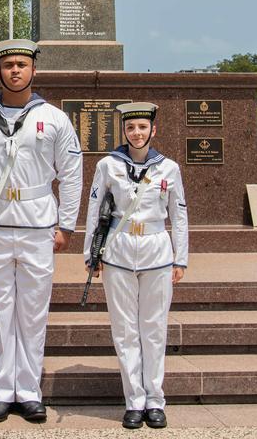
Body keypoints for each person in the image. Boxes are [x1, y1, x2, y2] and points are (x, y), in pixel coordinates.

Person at [0, 39, 82, 424]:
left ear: (33, 70)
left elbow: (73, 173)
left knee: (32, 311)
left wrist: (67, 224)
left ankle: (29, 391)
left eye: (22, 65)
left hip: (38, 222)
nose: (15, 70)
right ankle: (1, 389)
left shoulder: (55, 118)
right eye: (9, 64)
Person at [84, 102, 188, 430]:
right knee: (125, 329)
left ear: (153, 130)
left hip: (157, 250)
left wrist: (180, 257)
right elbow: (94, 208)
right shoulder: (108, 166)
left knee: (154, 328)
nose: (137, 133)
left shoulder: (168, 168)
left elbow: (180, 214)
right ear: (124, 132)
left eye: (143, 127)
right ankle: (134, 400)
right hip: (118, 249)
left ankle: (155, 399)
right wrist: (91, 254)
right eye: (131, 128)